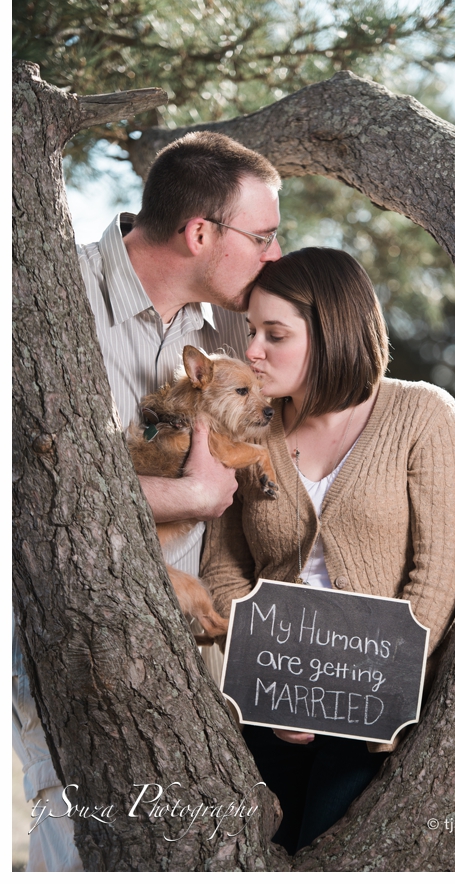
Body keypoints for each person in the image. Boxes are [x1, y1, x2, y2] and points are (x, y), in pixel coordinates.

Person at [13, 131, 282, 871]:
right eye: (262, 236)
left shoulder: (229, 325)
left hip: (185, 638)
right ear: (200, 232)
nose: (272, 255)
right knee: (83, 839)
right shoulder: (45, 298)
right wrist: (185, 492)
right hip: (68, 629)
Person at [200, 247, 455, 854]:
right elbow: (224, 569)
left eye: (275, 334)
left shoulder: (423, 416)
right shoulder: (246, 426)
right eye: (252, 330)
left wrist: (340, 693)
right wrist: (278, 680)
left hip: (382, 718)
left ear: (332, 334)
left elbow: (437, 579)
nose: (252, 349)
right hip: (267, 705)